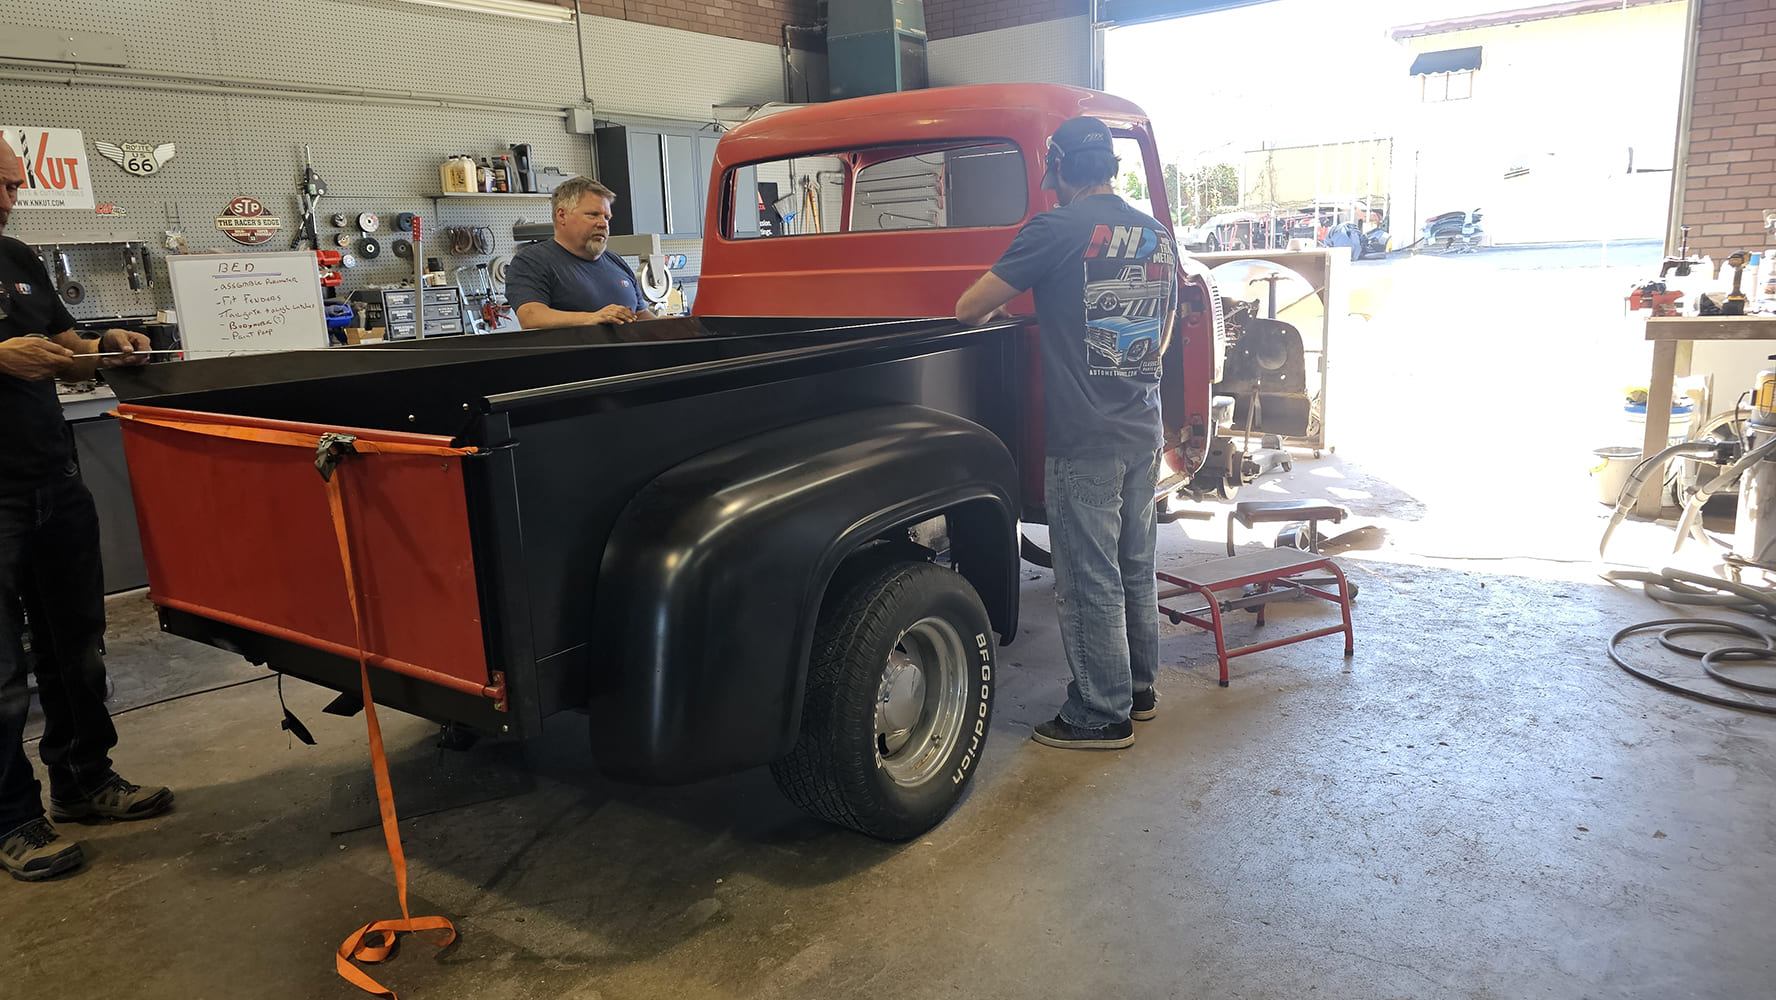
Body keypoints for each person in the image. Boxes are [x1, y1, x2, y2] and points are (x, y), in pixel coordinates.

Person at [955, 116, 1177, 750]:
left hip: (1086, 437)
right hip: (1143, 428)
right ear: (1110, 166)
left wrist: (1009, 305)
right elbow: (1158, 335)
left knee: (1088, 577)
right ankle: (1138, 691)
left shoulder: (1056, 229)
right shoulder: (1155, 234)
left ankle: (1098, 714)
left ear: (1057, 170)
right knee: (1135, 565)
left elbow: (969, 307)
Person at [0, 139, 171, 882]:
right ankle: (11, 819)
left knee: (77, 645)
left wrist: (105, 345)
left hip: (51, 475)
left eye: (13, 184)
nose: (7, 198)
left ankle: (84, 780)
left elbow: (65, 344)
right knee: (2, 672)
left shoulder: (17, 256)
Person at [505, 176, 658, 329]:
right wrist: (593, 317)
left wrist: (670, 325)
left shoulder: (615, 261)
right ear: (562, 215)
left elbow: (641, 315)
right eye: (593, 215)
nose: (603, 224)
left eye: (607, 217)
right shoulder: (532, 261)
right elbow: (531, 316)